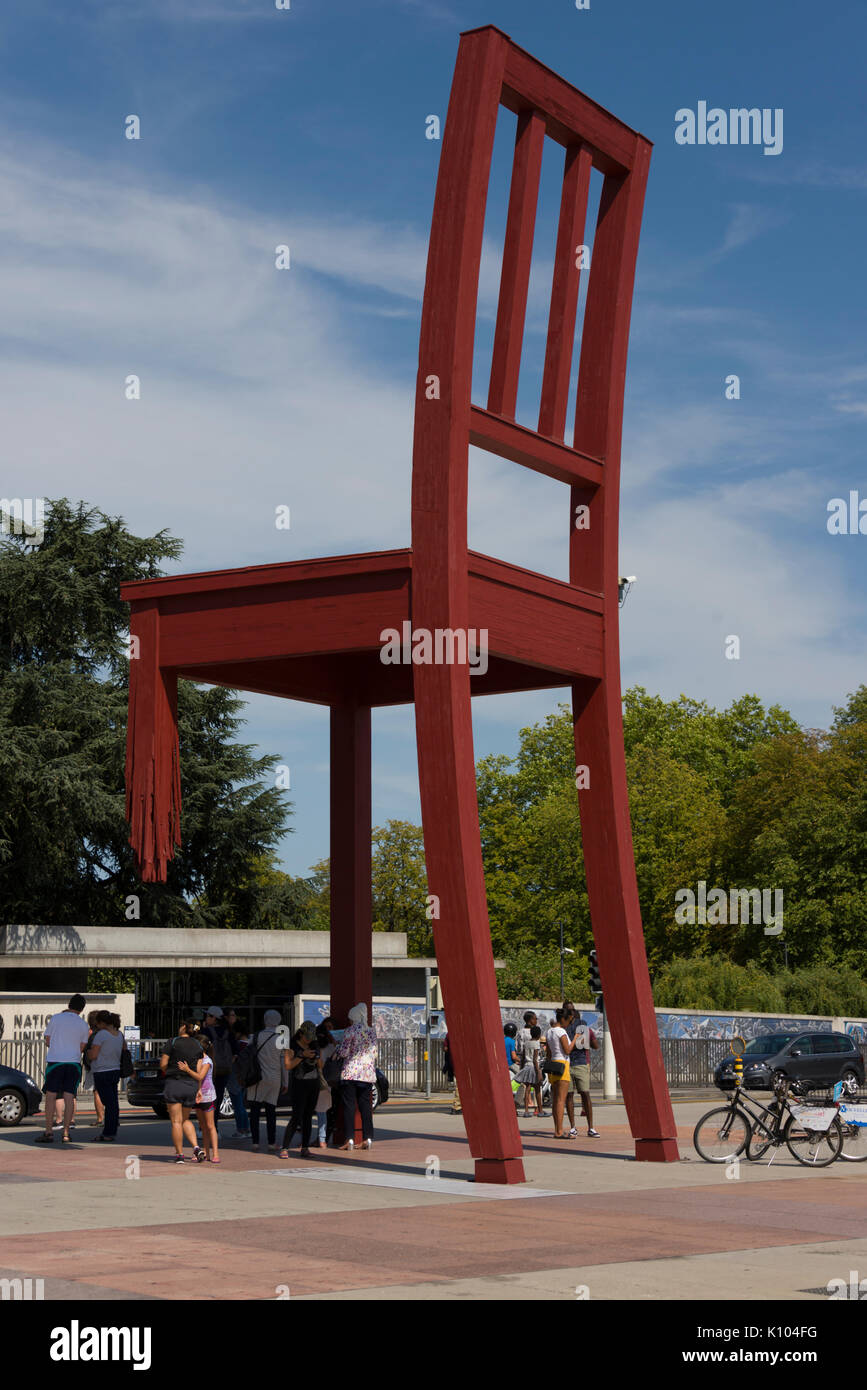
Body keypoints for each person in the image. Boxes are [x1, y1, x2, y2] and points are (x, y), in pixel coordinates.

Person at [36, 995, 90, 1145]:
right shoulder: (83, 1024)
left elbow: (47, 1040)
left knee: (51, 1095)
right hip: (73, 1063)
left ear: (69, 1004)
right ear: (82, 1008)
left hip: (55, 1061)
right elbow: (82, 1047)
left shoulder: (56, 1018)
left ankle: (48, 1131)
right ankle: (66, 1133)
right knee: (69, 1096)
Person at [159, 1019, 205, 1164]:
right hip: (191, 1085)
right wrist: (198, 1089)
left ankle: (179, 1155)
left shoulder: (173, 1042)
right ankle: (196, 1147)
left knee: (176, 1122)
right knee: (185, 1119)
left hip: (174, 1083)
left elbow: (163, 1064)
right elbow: (198, 1070)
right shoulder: (198, 1044)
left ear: (184, 1027)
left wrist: (170, 1069)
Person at [335, 1002, 377, 1151]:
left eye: (350, 1018)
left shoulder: (349, 1031)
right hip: (367, 1074)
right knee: (366, 1108)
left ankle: (349, 1139)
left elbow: (344, 1053)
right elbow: (374, 1053)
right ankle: (368, 1138)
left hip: (350, 1073)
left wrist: (338, 1048)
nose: (349, 1021)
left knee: (349, 1107)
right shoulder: (372, 1031)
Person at [279, 1022, 323, 1158]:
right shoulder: (291, 1046)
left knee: (308, 1116)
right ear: (301, 1033)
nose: (309, 1040)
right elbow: (287, 1065)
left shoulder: (314, 1045)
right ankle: (285, 1147)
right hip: (299, 1084)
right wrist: (301, 1055)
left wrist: (316, 1057)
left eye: (311, 1037)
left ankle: (305, 1147)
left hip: (313, 1083)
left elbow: (321, 1065)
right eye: (307, 1037)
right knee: (297, 1115)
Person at [246, 1010, 287, 1152]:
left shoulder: (255, 1036)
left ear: (265, 1019)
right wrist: (285, 1082)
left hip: (258, 1077)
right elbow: (284, 1063)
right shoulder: (281, 1038)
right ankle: (271, 1142)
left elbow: (247, 1053)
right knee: (271, 1111)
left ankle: (255, 1142)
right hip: (275, 1078)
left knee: (255, 1110)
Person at [179, 1035, 220, 1163]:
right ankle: (205, 1153)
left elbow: (200, 1076)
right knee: (202, 1126)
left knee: (210, 1125)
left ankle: (216, 1153)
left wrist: (187, 1070)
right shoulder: (196, 1059)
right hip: (198, 1095)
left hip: (208, 1096)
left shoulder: (207, 1061)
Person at [563, 1001, 600, 1137]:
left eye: (572, 1010)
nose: (570, 1013)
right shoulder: (562, 1025)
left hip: (580, 1062)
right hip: (566, 1063)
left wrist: (570, 1043)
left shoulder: (581, 1023)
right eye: (567, 1010)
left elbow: (582, 1044)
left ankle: (591, 1127)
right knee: (569, 1095)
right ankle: (573, 1127)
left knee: (585, 1093)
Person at [88, 1010, 125, 1143]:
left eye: (97, 1023)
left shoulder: (101, 1035)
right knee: (113, 1103)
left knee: (108, 1103)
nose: (96, 1025)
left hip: (102, 1071)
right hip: (115, 1070)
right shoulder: (119, 1035)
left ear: (102, 1022)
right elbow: (123, 1050)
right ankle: (112, 1129)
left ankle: (108, 1132)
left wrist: (88, 1053)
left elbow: (94, 1055)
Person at [201, 1006, 235, 1132]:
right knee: (218, 1097)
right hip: (224, 1069)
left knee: (206, 1099)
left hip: (209, 1069)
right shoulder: (228, 1031)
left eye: (208, 1016)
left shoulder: (206, 1032)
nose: (206, 1018)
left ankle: (204, 1128)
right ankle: (214, 1127)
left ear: (214, 1018)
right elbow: (235, 1049)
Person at [545, 1007, 575, 1139]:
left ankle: (557, 1129)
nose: (569, 1023)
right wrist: (576, 1038)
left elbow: (549, 1053)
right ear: (563, 1019)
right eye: (569, 1020)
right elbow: (568, 1050)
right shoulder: (561, 1031)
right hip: (562, 1065)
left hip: (553, 1066)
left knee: (555, 1099)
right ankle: (559, 1131)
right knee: (561, 1100)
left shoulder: (549, 1032)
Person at [223, 1010, 250, 1137]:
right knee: (241, 1105)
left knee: (238, 1105)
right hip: (245, 1077)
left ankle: (241, 1129)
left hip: (235, 1077)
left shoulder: (239, 1045)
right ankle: (247, 1129)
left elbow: (233, 1060)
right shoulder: (249, 1044)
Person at [314, 1018, 338, 1148]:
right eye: (326, 1027)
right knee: (322, 1110)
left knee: (320, 1111)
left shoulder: (317, 1047)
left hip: (319, 1081)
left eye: (330, 1027)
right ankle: (322, 1138)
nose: (329, 1030)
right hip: (326, 1082)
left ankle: (321, 1138)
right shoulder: (331, 1047)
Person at [80, 1010, 105, 1129]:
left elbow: (88, 1051)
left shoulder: (93, 1035)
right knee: (109, 1093)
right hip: (110, 1067)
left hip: (95, 1067)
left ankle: (100, 1118)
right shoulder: (111, 1033)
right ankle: (111, 1118)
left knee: (97, 1092)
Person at [515, 1024, 544, 1117]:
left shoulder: (526, 1043)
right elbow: (535, 1059)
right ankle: (540, 1111)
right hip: (534, 1067)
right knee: (537, 1089)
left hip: (526, 1067)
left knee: (527, 1089)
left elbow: (523, 1057)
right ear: (539, 1035)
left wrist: (521, 1068)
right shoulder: (537, 1044)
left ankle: (526, 1111)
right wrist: (538, 1072)